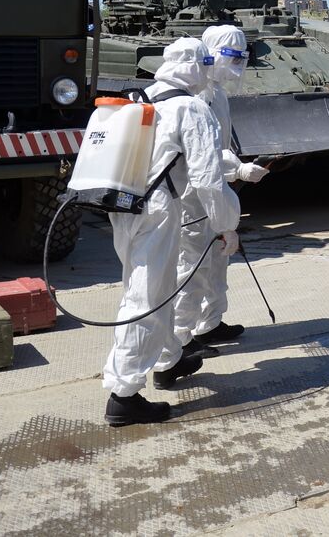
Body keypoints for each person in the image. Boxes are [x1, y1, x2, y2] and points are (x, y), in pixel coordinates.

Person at [102, 38, 236, 427]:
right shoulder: (191, 108)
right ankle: (123, 396)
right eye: (207, 63)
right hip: (158, 209)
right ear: (196, 66)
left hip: (124, 207)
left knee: (145, 289)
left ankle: (167, 360)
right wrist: (227, 225)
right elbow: (208, 181)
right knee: (147, 300)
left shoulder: (142, 99)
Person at [162, 23, 269, 357]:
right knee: (191, 267)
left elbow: (219, 145)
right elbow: (200, 155)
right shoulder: (194, 95)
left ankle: (210, 323)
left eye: (242, 58)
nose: (236, 66)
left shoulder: (219, 93)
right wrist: (237, 169)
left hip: (214, 187)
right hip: (192, 196)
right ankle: (181, 338)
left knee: (218, 261)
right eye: (231, 57)